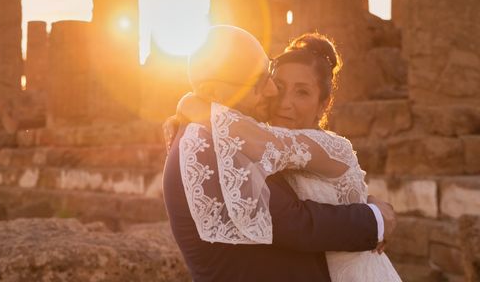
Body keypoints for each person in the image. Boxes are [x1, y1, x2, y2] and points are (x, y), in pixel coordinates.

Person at [162, 25, 398, 282]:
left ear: (323, 105)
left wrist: (191, 104)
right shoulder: (207, 146)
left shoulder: (245, 138)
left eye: (268, 74)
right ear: (214, 94)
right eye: (259, 82)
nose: (273, 92)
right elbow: (293, 222)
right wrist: (375, 219)